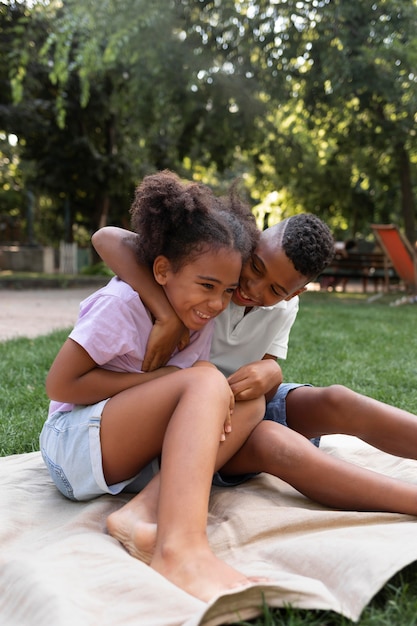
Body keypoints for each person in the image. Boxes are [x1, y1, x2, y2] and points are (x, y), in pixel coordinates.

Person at [92, 213, 417, 561]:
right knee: (275, 443)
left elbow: (265, 365)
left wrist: (271, 372)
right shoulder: (211, 272)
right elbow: (107, 238)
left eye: (277, 290)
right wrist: (166, 315)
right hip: (188, 416)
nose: (254, 290)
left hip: (241, 402)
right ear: (253, 241)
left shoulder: (283, 307)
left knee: (336, 400)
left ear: (297, 292)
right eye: (256, 267)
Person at [40, 170, 268, 603]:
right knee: (204, 380)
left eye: (228, 290)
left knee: (249, 403)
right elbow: (60, 384)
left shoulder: (197, 316)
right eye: (207, 286)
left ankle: (139, 514)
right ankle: (180, 550)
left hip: (126, 455)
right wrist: (155, 379)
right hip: (72, 446)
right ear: (162, 269)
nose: (218, 304)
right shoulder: (121, 304)